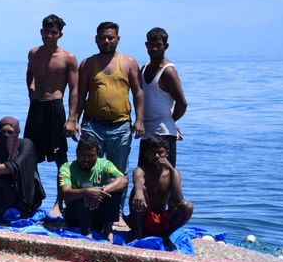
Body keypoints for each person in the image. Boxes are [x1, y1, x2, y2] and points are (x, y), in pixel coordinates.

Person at [70, 21, 145, 215]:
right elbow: (80, 94)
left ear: (118, 39)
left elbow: (138, 92)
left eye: (110, 37)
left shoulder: (128, 62)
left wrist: (140, 120)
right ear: (96, 39)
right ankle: (88, 210)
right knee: (88, 167)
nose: (106, 41)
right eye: (102, 37)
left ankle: (115, 213)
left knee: (118, 172)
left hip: (120, 126)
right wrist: (73, 119)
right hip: (93, 124)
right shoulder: (87, 64)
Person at [25, 14, 80, 218]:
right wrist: (30, 88)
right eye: (46, 32)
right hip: (35, 107)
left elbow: (75, 89)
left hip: (55, 108)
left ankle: (59, 203)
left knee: (60, 158)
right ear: (41, 32)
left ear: (60, 34)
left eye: (53, 33)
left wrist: (72, 119)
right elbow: (30, 73)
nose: (49, 36)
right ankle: (32, 199)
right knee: (29, 156)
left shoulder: (68, 57)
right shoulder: (33, 53)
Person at [59, 134, 128, 240]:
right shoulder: (67, 168)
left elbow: (123, 180)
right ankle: (85, 232)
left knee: (114, 184)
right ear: (77, 153)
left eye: (91, 156)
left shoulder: (105, 164)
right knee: (85, 190)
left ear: (98, 154)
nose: (86, 159)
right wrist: (86, 192)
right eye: (83, 155)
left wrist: (101, 191)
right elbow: (65, 193)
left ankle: (108, 229)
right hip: (76, 215)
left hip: (98, 213)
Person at [130, 136, 193, 247]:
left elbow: (178, 199)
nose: (156, 156)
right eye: (153, 153)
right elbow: (138, 180)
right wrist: (139, 191)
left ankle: (166, 235)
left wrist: (172, 170)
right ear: (146, 154)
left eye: (160, 153)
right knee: (139, 190)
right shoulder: (141, 170)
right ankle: (138, 233)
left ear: (167, 153)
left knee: (187, 206)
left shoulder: (174, 173)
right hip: (144, 216)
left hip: (161, 220)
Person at [0, 117, 45, 217]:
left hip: (22, 192)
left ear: (18, 132)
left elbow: (14, 167)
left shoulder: (26, 144)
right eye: (3, 131)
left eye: (10, 132)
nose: (6, 135)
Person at [140, 27, 188, 167]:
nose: (154, 49)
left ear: (166, 46)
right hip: (147, 133)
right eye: (151, 45)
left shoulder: (168, 71)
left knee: (164, 178)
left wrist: (170, 121)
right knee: (144, 177)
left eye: (158, 45)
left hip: (164, 135)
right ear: (146, 45)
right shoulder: (144, 68)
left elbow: (182, 103)